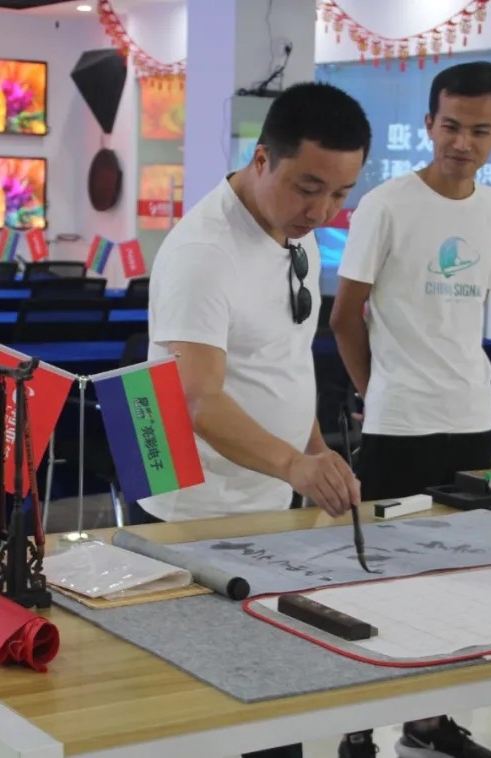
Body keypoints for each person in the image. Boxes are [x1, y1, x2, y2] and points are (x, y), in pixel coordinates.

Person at [137, 82, 372, 758]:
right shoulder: (203, 252)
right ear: (262, 158)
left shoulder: (298, 237)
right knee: (201, 712)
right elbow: (198, 400)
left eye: (340, 194)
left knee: (271, 696)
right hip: (194, 510)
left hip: (267, 499)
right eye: (308, 188)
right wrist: (296, 464)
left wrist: (316, 452)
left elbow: (283, 361)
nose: (321, 211)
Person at [329, 61, 491, 758]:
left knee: (455, 573)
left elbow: (469, 315)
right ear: (429, 124)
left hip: (470, 418)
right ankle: (358, 724)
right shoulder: (385, 205)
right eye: (450, 126)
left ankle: (430, 721)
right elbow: (345, 317)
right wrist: (378, 393)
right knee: (379, 573)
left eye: (479, 130)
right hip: (399, 422)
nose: (461, 142)